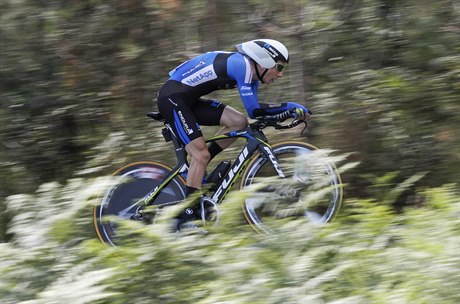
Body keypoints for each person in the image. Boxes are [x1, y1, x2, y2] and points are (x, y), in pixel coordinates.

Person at [156, 39, 311, 225]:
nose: (280, 74)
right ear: (264, 60)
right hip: (172, 99)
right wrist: (290, 107)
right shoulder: (242, 65)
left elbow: (253, 114)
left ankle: (201, 169)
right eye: (278, 67)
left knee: (239, 122)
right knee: (200, 154)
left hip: (188, 100)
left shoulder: (252, 77)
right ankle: (188, 211)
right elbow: (255, 110)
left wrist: (283, 113)